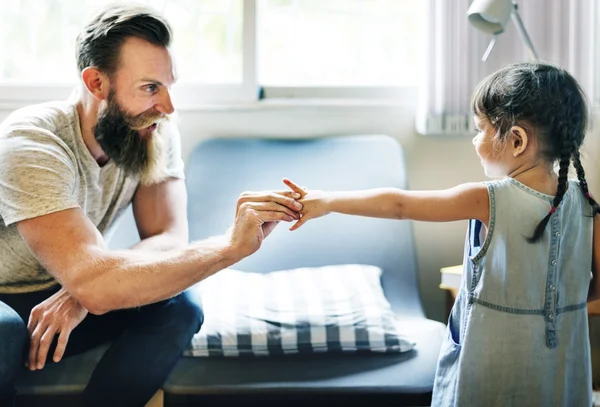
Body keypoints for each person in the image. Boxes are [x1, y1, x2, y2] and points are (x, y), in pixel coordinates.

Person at [0, 3, 301, 407]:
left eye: (168, 86)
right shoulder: (33, 144)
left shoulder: (151, 131)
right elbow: (96, 285)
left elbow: (167, 237)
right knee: (4, 329)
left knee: (180, 305)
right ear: (96, 83)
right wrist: (229, 247)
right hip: (3, 298)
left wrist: (81, 293)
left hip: (65, 285)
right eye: (149, 88)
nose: (168, 107)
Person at [283, 62, 598, 406]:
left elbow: (400, 205)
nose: (476, 140)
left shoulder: (488, 198)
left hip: (492, 365)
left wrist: (327, 201)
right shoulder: (586, 204)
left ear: (517, 140)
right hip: (561, 367)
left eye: (481, 129)